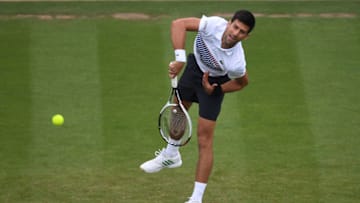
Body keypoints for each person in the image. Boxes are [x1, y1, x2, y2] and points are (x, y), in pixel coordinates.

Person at [140, 10, 256, 203]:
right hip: (194, 68)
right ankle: (171, 154)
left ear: (246, 36)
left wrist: (216, 90)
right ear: (229, 23)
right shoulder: (213, 25)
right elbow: (179, 23)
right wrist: (180, 59)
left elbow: (242, 82)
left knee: (205, 139)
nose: (236, 33)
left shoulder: (236, 61)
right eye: (235, 27)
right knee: (178, 112)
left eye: (242, 32)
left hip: (214, 82)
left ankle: (196, 199)